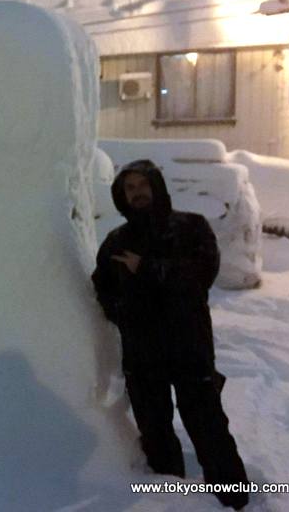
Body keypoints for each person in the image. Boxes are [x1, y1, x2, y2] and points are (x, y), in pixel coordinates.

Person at [92, 159, 249, 510]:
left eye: (142, 185)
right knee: (155, 433)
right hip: (142, 355)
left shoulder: (191, 227)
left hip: (189, 348)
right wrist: (121, 310)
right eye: (129, 188)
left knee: (208, 427)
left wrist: (146, 268)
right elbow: (101, 287)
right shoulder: (117, 241)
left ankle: (235, 501)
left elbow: (201, 275)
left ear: (156, 185)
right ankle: (172, 501)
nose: (137, 193)